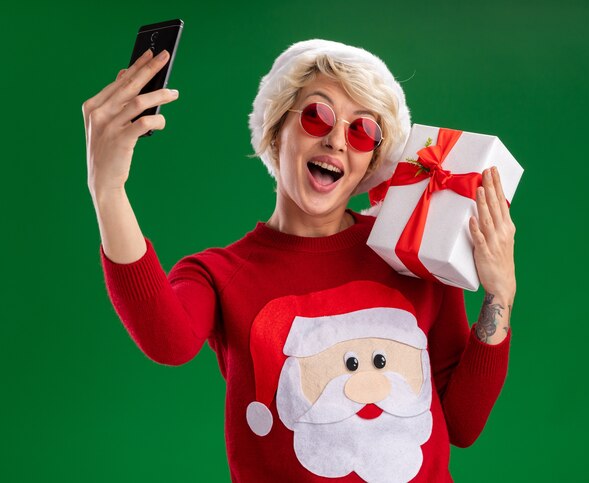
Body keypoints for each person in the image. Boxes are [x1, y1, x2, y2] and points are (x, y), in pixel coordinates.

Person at [83, 39, 516, 483]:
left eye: (361, 130)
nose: (335, 140)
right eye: (316, 115)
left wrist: (499, 295)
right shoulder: (220, 274)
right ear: (275, 131)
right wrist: (108, 189)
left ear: (371, 163)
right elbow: (167, 341)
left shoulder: (408, 255)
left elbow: (461, 425)